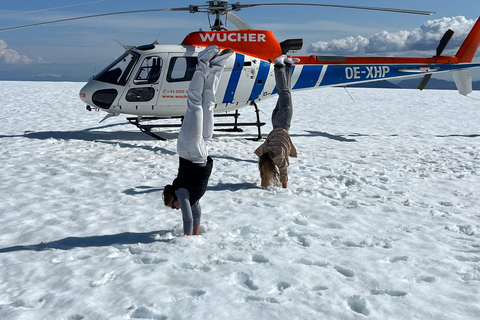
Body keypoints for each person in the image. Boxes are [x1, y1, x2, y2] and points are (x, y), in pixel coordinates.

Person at [163, 45, 234, 235]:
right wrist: (195, 233)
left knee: (195, 104)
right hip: (201, 152)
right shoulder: (191, 197)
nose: (176, 208)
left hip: (189, 149)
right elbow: (196, 213)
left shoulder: (181, 193)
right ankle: (217, 66)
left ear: (172, 199)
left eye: (173, 207)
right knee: (208, 105)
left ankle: (202, 63)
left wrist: (187, 241)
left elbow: (187, 217)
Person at [255, 55, 298, 188]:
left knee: (284, 93)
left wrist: (284, 186)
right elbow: (259, 153)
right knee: (286, 93)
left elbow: (283, 172)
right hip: (276, 122)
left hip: (283, 123)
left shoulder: (278, 157)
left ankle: (279, 66)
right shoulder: (266, 151)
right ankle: (288, 65)